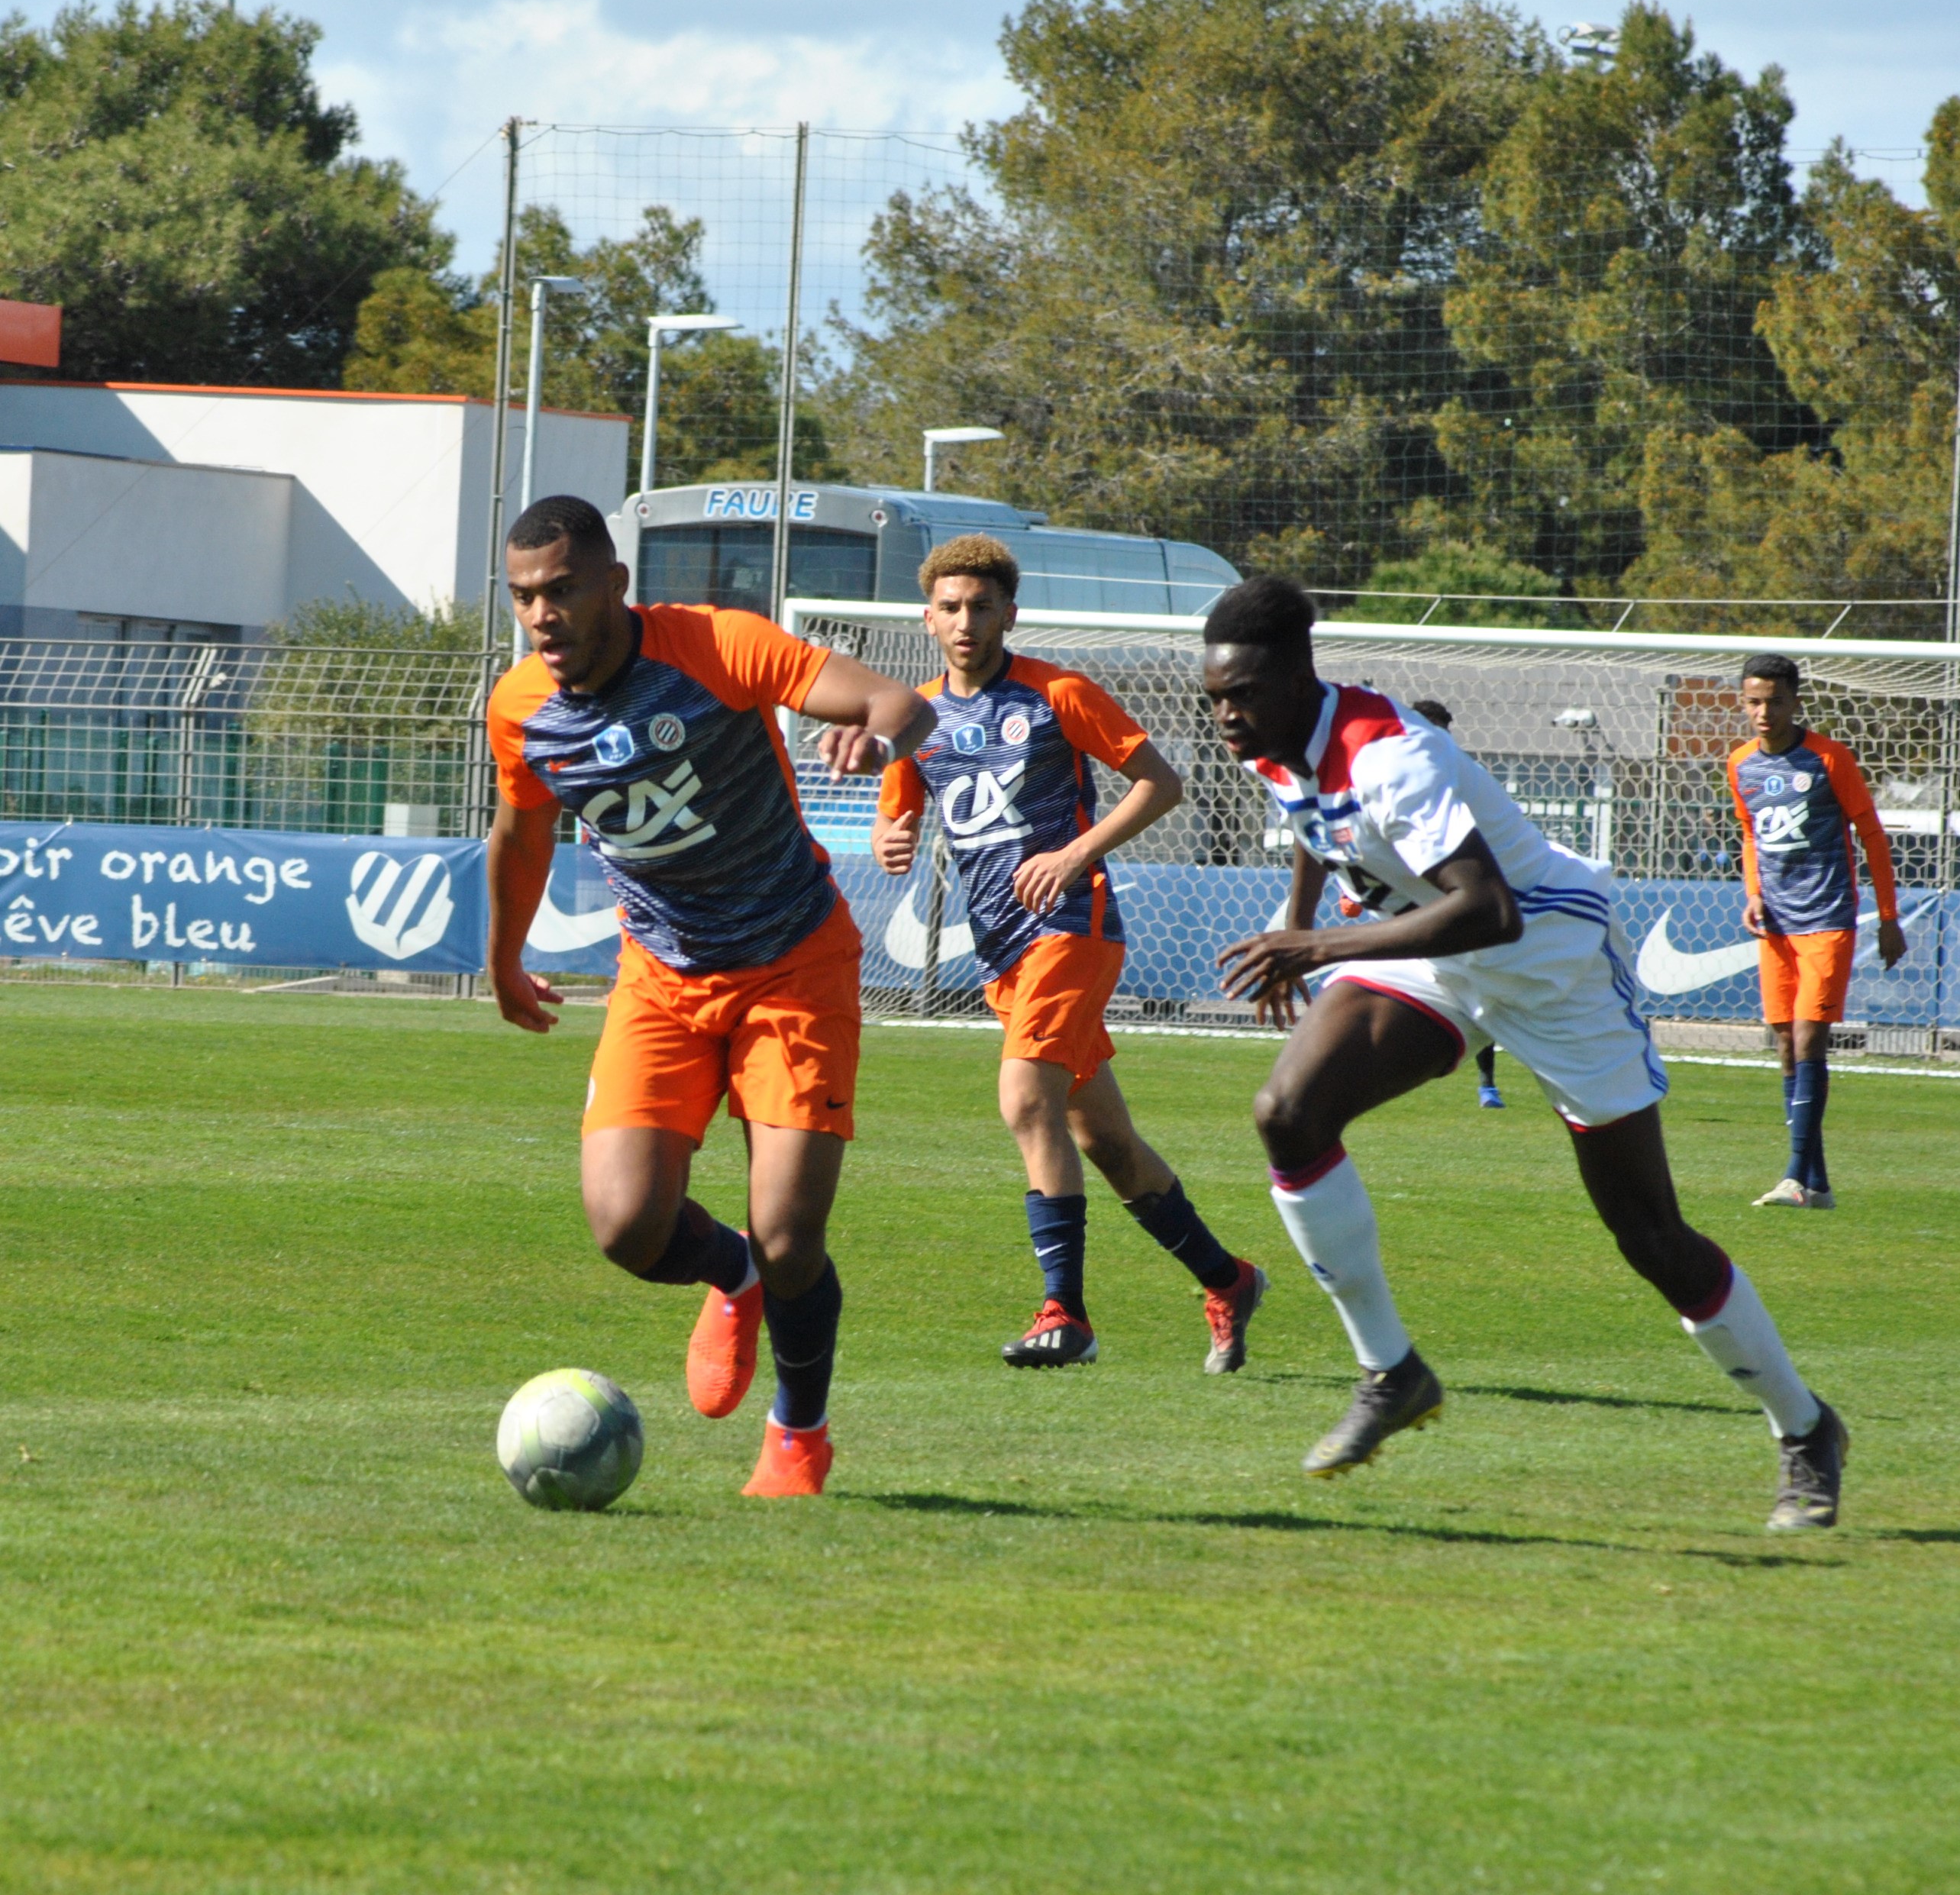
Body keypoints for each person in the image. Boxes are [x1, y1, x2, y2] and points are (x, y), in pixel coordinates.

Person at [1203, 576, 1848, 1532]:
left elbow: (1486, 906)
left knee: (1649, 1237)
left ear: (1300, 677)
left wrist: (1317, 946)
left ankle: (1804, 1428)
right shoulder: (1274, 737)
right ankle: (1391, 1371)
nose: (1224, 714)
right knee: (1285, 1112)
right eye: (1213, 695)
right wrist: (1294, 919)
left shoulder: (1392, 757)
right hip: (1432, 960)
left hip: (1549, 963)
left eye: (1241, 694)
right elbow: (1311, 822)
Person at [484, 495, 933, 1497]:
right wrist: (505, 958)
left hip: (792, 964)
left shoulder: (716, 645)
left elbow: (902, 705)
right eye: (522, 597)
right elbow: (522, 833)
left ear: (613, 584)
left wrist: (877, 738)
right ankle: (731, 1277)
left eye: (559, 589)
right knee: (626, 1225)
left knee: (790, 1231)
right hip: (661, 976)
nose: (542, 616)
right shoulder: (519, 707)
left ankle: (797, 1431)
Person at [871, 533, 1267, 1370]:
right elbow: (895, 811)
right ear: (927, 618)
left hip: (1071, 929)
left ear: (1010, 613)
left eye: (982, 606)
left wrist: (1074, 852)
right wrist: (891, 836)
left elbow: (1161, 782)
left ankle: (1067, 1314)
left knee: (1023, 1101)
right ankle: (1226, 1277)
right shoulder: (915, 716)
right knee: (1103, 1141)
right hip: (999, 952)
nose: (966, 621)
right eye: (950, 607)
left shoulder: (1057, 692)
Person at [1729, 655, 1904, 1210]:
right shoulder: (1739, 765)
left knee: (1808, 1038)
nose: (1763, 711)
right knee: (1783, 1042)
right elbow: (1750, 834)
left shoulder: (1829, 758)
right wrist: (1752, 892)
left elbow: (1872, 836)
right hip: (1775, 924)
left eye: (1774, 700)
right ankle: (1817, 1184)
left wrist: (1888, 917)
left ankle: (1791, 1176)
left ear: (1794, 701)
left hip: (1827, 918)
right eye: (1753, 700)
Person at [1409, 699, 1503, 1109]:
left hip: (1470, 898)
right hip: (1418, 900)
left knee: (1484, 990)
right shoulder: (1395, 776)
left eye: (1442, 732)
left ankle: (1487, 1082)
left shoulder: (1466, 777)